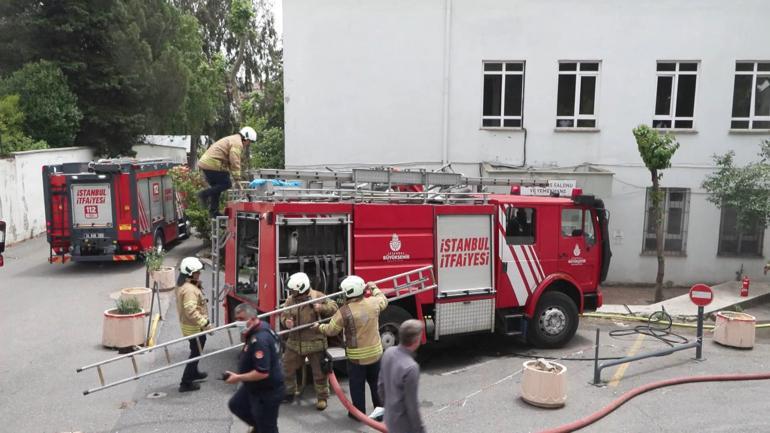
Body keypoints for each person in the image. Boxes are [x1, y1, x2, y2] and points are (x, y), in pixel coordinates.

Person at [314, 275, 388, 418]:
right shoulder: (373, 302)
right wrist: (373, 287)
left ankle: (358, 414)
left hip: (357, 359)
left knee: (357, 386)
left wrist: (319, 327)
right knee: (376, 383)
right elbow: (383, 300)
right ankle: (381, 412)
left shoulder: (344, 311)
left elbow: (331, 330)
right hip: (376, 354)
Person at [280, 272, 338, 410]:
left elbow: (335, 308)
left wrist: (321, 308)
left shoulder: (318, 296)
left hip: (315, 342)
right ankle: (289, 393)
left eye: (294, 290)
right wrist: (286, 322)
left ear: (302, 287)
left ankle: (322, 398)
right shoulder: (290, 300)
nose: (292, 293)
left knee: (319, 373)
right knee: (286, 368)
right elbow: (284, 315)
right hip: (294, 342)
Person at [227, 303, 285, 433]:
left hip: (267, 391)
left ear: (252, 319)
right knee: (236, 405)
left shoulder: (260, 340)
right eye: (236, 319)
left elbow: (262, 372)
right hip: (253, 386)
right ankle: (259, 426)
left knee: (268, 427)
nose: (238, 323)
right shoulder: (259, 328)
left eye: (241, 319)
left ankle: (261, 427)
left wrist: (238, 378)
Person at [377, 320, 427, 433]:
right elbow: (411, 405)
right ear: (416, 340)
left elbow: (380, 386)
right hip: (404, 426)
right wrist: (420, 429)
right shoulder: (411, 368)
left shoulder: (388, 353)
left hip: (390, 418)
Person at [197, 126, 257, 217]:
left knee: (217, 188)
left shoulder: (232, 139)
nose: (248, 144)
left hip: (206, 164)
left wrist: (236, 179)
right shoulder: (237, 143)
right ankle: (204, 194)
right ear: (245, 138)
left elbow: (229, 162)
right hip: (212, 164)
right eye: (250, 141)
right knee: (226, 183)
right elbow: (235, 160)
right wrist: (237, 178)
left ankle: (214, 212)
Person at [176, 256, 212, 392]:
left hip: (192, 327)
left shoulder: (186, 285)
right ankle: (185, 383)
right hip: (194, 328)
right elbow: (191, 311)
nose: (199, 274)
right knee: (195, 353)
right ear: (190, 273)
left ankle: (194, 373)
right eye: (197, 272)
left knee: (196, 351)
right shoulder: (190, 290)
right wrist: (206, 323)